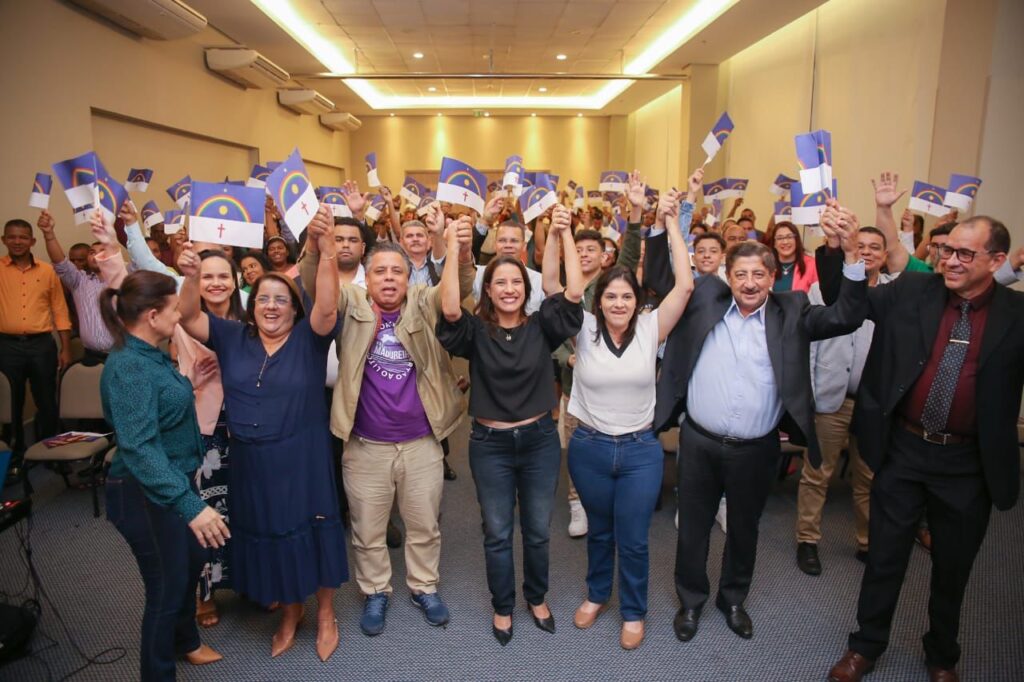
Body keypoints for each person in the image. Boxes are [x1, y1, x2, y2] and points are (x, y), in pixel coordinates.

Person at [645, 207, 868, 643]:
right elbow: (659, 275)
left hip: (756, 448)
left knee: (744, 529)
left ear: (772, 278)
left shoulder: (794, 310)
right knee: (692, 528)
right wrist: (662, 222)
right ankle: (691, 602)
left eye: (758, 275)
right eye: (740, 273)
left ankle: (732, 599)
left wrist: (849, 253)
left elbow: (848, 316)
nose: (749, 283)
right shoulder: (703, 297)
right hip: (700, 441)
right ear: (727, 275)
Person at [825, 215, 1024, 682]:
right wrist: (841, 251)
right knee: (884, 558)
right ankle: (866, 645)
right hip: (904, 451)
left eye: (964, 254)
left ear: (996, 261)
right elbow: (847, 305)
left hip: (968, 463)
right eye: (947, 250)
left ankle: (941, 656)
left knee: (953, 568)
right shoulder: (914, 292)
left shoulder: (1016, 316)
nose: (950, 260)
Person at [177, 205, 347, 662]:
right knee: (274, 535)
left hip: (303, 456)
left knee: (314, 529)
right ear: (252, 307)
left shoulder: (311, 339)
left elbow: (328, 306)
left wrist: (326, 249)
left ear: (295, 307)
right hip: (252, 463)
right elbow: (188, 316)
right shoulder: (233, 336)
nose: (271, 306)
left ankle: (326, 614)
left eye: (281, 300)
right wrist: (191, 275)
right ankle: (291, 612)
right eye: (263, 300)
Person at [299, 203, 477, 638]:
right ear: (366, 275)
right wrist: (316, 248)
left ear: (407, 276)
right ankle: (376, 590)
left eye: (397, 271)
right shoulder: (351, 301)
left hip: (420, 443)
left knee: (423, 525)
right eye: (380, 272)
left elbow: (457, 293)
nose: (390, 279)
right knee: (367, 528)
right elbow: (317, 296)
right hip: (365, 446)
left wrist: (459, 248)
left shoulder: (423, 300)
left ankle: (423, 586)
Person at [437, 203, 584, 646]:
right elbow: (447, 308)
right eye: (498, 282)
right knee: (497, 532)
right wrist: (451, 248)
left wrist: (566, 234)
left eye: (515, 281)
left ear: (527, 287)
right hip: (489, 446)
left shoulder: (543, 326)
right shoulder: (476, 332)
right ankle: (503, 607)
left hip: (539, 441)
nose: (507, 288)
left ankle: (536, 598)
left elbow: (574, 291)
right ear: (487, 289)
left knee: (537, 531)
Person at [568, 184, 694, 650]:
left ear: (637, 301)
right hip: (590, 447)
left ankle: (634, 610)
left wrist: (674, 224)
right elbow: (565, 288)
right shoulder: (582, 329)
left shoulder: (650, 328)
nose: (618, 304)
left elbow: (685, 285)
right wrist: (564, 235)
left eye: (626, 297)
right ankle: (598, 593)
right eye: (610, 297)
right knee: (600, 530)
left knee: (635, 538)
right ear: (598, 301)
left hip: (641, 451)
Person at [99, 267, 228, 681]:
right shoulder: (129, 368)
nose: (180, 317)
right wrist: (192, 506)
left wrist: (183, 385)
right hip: (143, 493)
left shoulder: (149, 355)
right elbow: (139, 448)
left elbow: (156, 407)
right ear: (152, 315)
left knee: (190, 564)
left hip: (170, 487)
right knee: (167, 590)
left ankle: (185, 642)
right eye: (174, 309)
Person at [795, 226, 894, 576]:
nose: (866, 252)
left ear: (885, 254)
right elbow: (809, 344)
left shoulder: (895, 294)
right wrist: (807, 391)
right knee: (817, 473)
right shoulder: (824, 289)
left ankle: (867, 542)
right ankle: (807, 540)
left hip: (873, 403)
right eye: (860, 245)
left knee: (869, 475)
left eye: (874, 247)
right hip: (830, 396)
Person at [555, 170, 648, 539]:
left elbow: (631, 248)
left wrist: (636, 214)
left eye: (590, 250)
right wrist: (568, 359)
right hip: (573, 387)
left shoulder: (613, 286)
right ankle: (577, 505)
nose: (583, 254)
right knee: (577, 450)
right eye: (577, 251)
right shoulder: (564, 291)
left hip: (613, 388)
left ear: (604, 256)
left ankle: (602, 503)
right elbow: (555, 335)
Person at [0, 218, 72, 475]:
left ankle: (52, 452)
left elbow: (60, 310)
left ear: (32, 241)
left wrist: (65, 347)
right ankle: (15, 458)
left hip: (41, 345)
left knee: (46, 401)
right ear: (4, 240)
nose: (17, 241)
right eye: (11, 237)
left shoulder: (46, 270)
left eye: (22, 237)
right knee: (11, 404)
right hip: (7, 347)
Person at [37, 210, 113, 363]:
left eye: (102, 251)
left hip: (121, 356)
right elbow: (61, 263)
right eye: (92, 252)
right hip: (91, 356)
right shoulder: (79, 281)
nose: (96, 255)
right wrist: (49, 234)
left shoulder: (124, 281)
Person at [769, 221, 817, 293]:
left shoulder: (812, 265)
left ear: (796, 240)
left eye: (789, 237)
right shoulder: (767, 266)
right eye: (779, 238)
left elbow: (819, 297)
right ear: (774, 244)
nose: (785, 242)